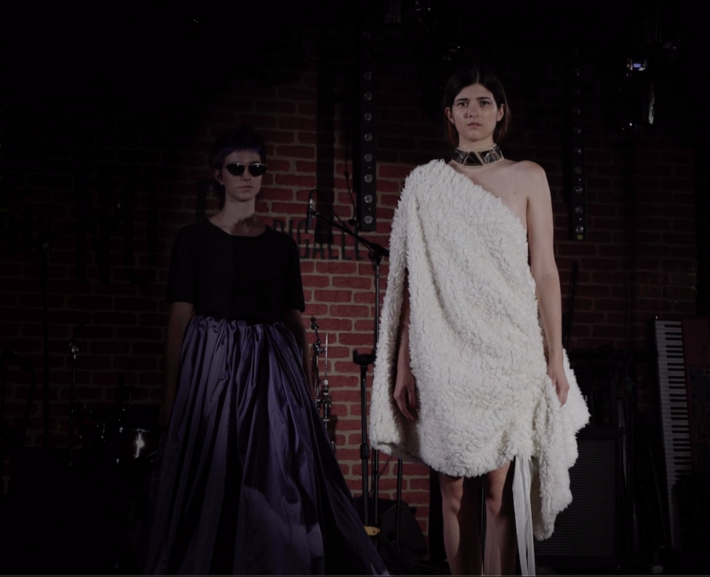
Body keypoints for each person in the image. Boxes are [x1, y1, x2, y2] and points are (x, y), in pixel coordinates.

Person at [369, 66, 590, 576]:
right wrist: (403, 366)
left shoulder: (528, 176)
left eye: (484, 102)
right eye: (463, 103)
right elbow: (413, 286)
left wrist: (554, 358)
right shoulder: (425, 185)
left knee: (499, 493)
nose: (474, 111)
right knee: (452, 494)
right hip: (444, 354)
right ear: (449, 114)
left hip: (509, 350)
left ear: (501, 111)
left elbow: (545, 269)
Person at [144, 125, 387, 575]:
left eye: (255, 168)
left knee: (273, 471)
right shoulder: (193, 239)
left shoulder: (280, 245)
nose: (246, 176)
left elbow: (293, 320)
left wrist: (306, 383)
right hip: (212, 366)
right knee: (212, 470)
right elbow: (179, 317)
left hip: (269, 370)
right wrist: (169, 392)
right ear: (218, 174)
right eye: (236, 167)